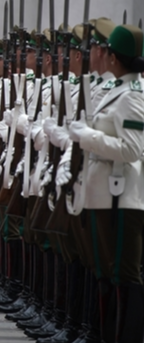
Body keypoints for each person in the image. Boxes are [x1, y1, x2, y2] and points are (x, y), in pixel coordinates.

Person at [66, 25, 143, 343]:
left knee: (121, 275)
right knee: (103, 273)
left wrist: (88, 136)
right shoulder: (116, 92)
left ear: (113, 57)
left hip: (122, 198)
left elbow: (132, 149)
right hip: (103, 195)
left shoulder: (130, 97)